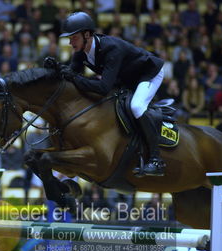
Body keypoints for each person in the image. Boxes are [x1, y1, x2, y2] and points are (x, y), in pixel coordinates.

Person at [52, 12, 165, 176]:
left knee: (137, 106)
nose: (70, 42)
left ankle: (156, 160)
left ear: (87, 34)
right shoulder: (80, 52)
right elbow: (71, 76)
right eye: (69, 38)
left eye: (73, 37)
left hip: (148, 73)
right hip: (125, 77)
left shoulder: (111, 48)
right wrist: (55, 69)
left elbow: (103, 88)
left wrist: (74, 77)